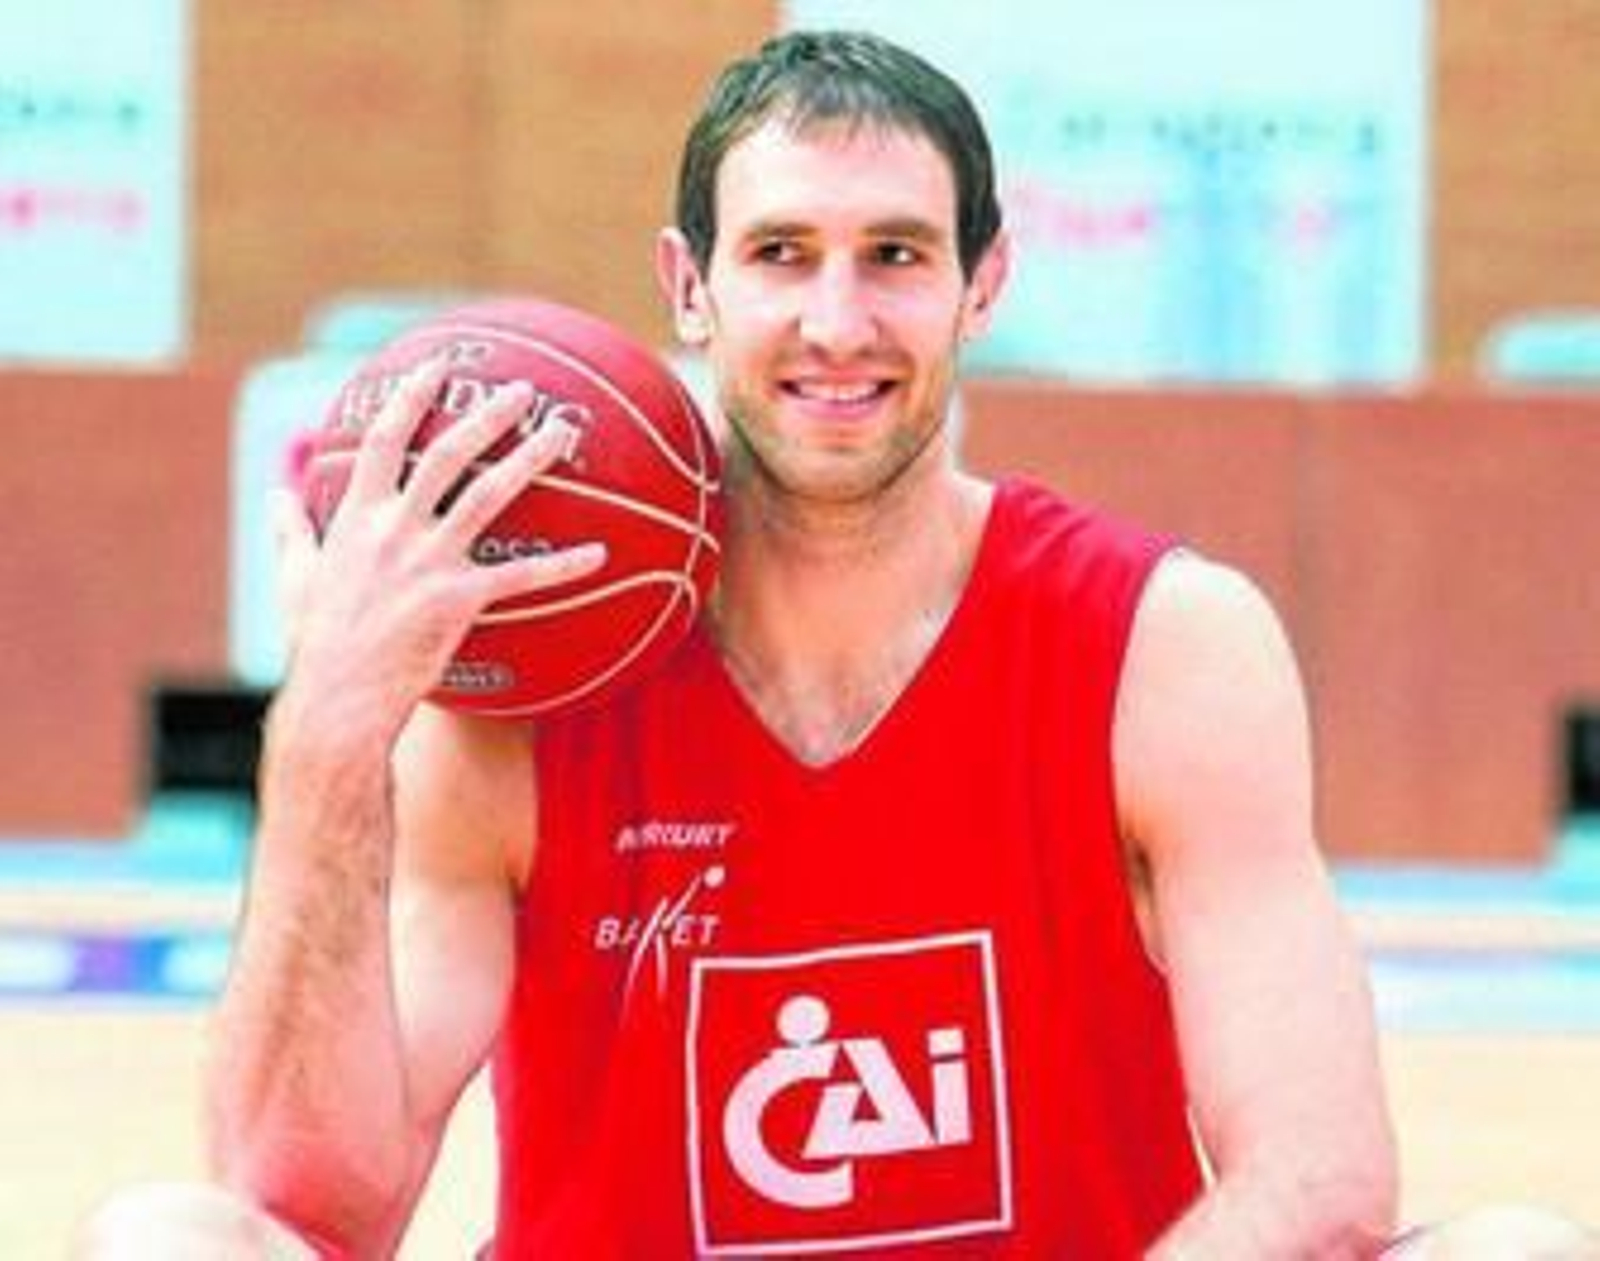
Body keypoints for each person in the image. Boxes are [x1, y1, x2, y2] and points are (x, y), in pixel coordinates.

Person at [74, 29, 1592, 1261]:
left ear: (982, 283)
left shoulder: (1164, 646)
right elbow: (311, 1201)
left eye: (896, 256)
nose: (838, 318)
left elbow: (1320, 1180)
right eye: (784, 252)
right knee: (165, 1236)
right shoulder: (525, 686)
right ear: (691, 285)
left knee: (1510, 1250)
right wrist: (332, 739)